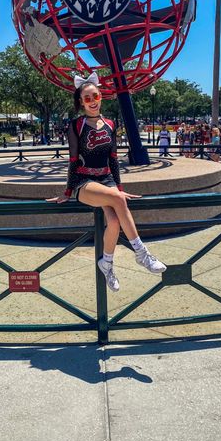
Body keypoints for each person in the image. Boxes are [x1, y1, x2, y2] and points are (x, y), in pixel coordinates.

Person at [46, 72, 166, 292]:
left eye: (95, 96)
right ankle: (142, 254)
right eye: (87, 98)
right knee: (118, 201)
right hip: (84, 180)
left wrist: (119, 188)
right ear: (81, 102)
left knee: (113, 222)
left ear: (101, 96)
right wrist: (68, 190)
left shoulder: (110, 123)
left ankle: (107, 263)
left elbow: (113, 160)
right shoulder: (77, 125)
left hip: (107, 179)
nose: (92, 101)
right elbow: (73, 159)